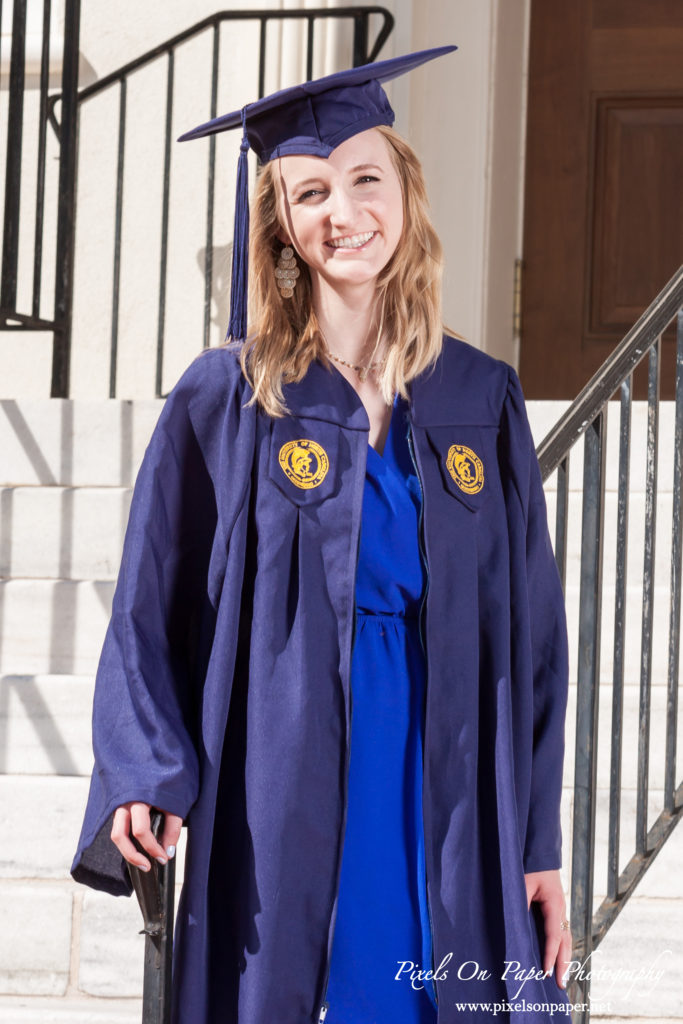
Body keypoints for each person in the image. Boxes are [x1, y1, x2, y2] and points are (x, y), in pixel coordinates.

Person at [72, 45, 573, 1024]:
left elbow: (533, 643)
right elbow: (148, 606)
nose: (341, 213)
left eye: (362, 180)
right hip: (283, 773)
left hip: (445, 771)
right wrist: (143, 770)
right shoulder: (227, 397)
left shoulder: (478, 397)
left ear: (405, 194)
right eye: (309, 194)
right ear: (281, 228)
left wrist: (537, 838)